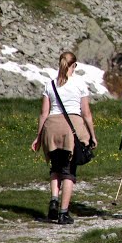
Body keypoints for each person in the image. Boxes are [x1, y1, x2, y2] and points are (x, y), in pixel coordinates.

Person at [31, 51, 97, 225]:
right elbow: (86, 113)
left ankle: (54, 199)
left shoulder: (50, 84)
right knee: (69, 171)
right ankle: (63, 212)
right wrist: (92, 135)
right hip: (71, 127)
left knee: (55, 167)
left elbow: (43, 113)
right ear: (73, 65)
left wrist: (38, 137)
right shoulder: (80, 84)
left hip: (51, 128)